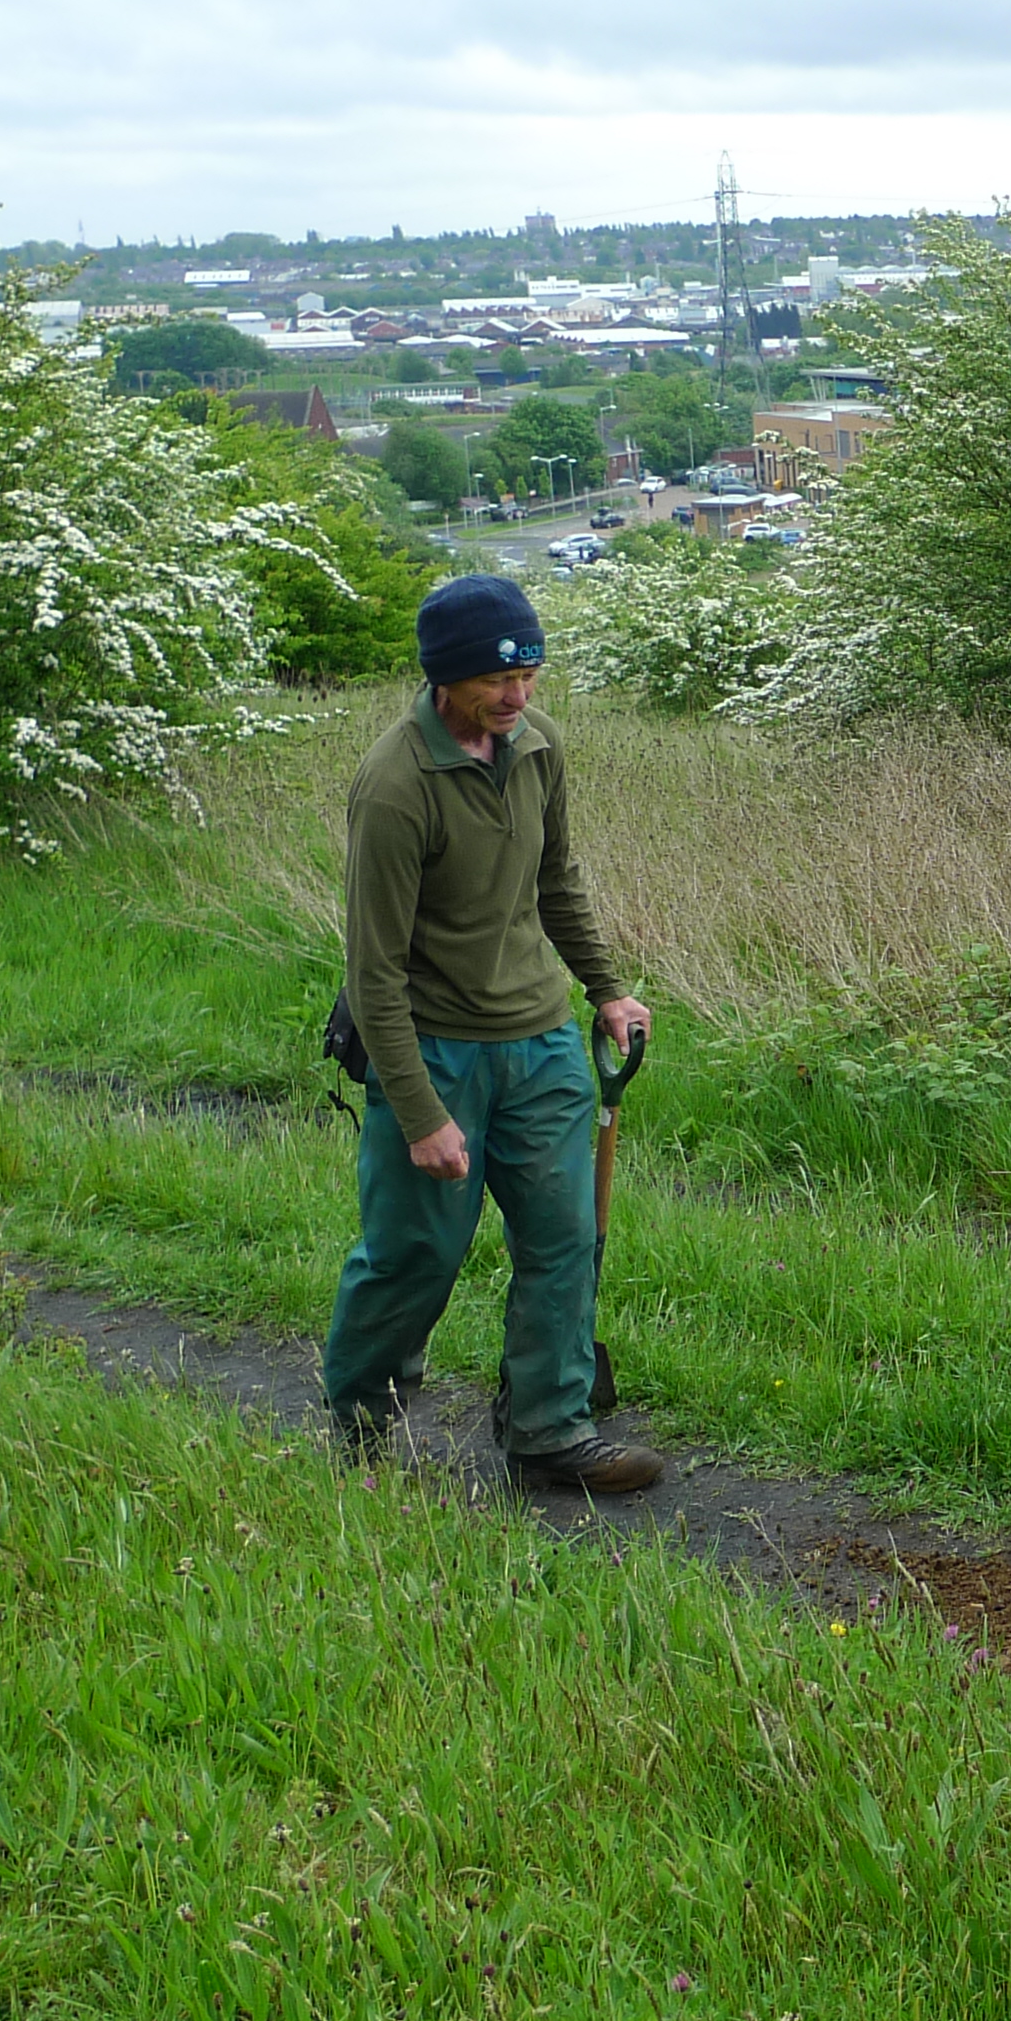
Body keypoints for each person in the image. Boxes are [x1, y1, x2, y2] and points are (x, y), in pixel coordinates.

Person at [324, 574, 666, 1495]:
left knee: (564, 1238)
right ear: (446, 679)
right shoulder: (395, 787)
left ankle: (549, 1429)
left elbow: (557, 880)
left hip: (540, 1041)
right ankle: (359, 1424)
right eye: (498, 680)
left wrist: (606, 989)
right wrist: (421, 1113)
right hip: (433, 1048)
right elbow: (374, 974)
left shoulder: (538, 747)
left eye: (530, 674)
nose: (518, 696)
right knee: (415, 1255)